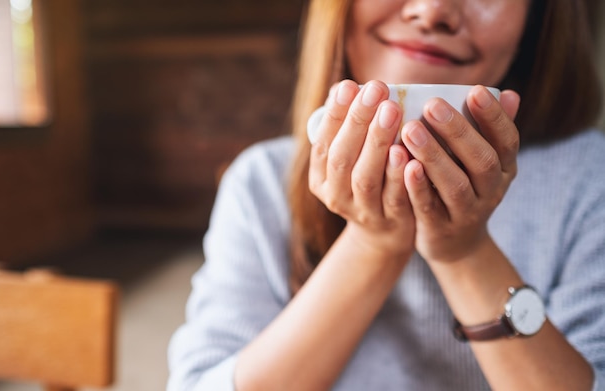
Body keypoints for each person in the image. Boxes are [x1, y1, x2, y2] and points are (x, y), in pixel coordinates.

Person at [167, 0, 605, 389]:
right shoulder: (262, 181)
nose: (433, 10)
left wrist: (463, 251)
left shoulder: (587, 177)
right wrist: (372, 242)